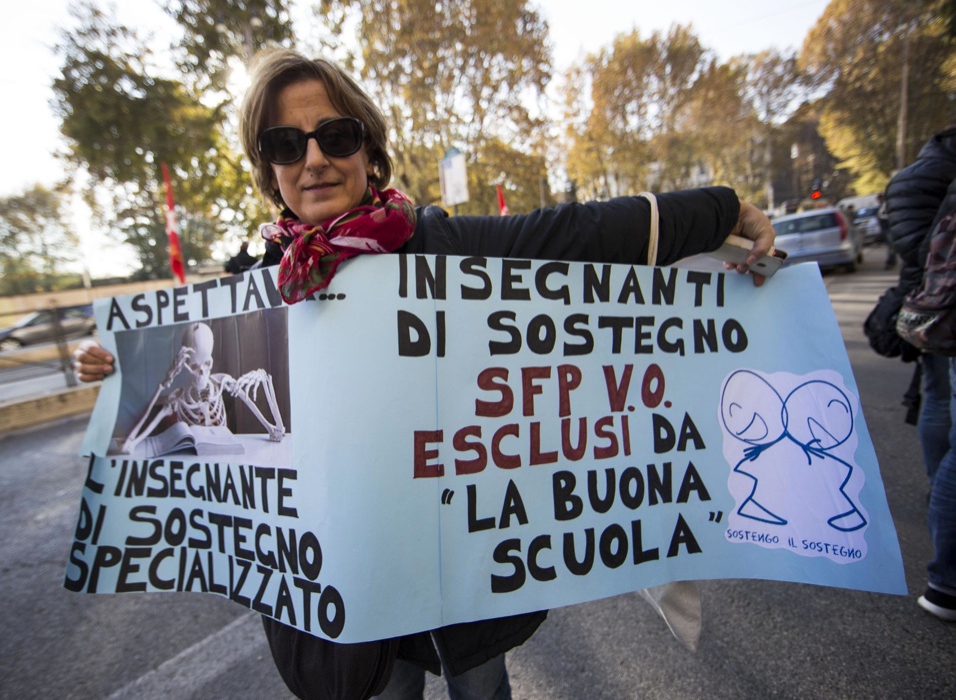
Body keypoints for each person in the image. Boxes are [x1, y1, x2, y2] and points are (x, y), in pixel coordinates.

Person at [75, 48, 776, 698]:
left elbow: (585, 235)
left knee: (482, 689)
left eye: (336, 136)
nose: (314, 159)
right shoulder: (258, 295)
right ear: (271, 171)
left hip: (463, 579)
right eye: (287, 144)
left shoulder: (443, 247)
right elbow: (182, 398)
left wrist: (727, 210)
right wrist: (118, 369)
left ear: (369, 150)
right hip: (355, 592)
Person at [884, 126, 956, 622]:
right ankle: (948, 578)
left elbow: (911, 242)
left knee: (938, 400)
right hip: (945, 303)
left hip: (933, 304)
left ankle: (939, 487)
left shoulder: (912, 178)